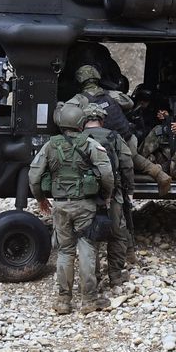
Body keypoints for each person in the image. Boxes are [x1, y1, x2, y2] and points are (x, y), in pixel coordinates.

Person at [28, 99, 114, 315]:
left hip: (60, 205)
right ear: (81, 122)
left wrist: (40, 198)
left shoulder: (50, 145)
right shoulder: (91, 144)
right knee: (87, 247)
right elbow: (106, 174)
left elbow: (34, 175)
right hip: (85, 204)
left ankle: (63, 301)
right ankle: (89, 300)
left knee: (65, 251)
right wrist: (106, 195)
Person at [81, 102, 172, 287]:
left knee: (90, 241)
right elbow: (128, 165)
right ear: (102, 119)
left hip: (84, 197)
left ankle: (94, 278)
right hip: (113, 195)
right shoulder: (114, 137)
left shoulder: (76, 139)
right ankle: (115, 275)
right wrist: (129, 190)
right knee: (117, 235)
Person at [67, 65, 137, 143]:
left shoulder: (79, 99)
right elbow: (130, 104)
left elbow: (63, 117)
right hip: (125, 140)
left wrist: (60, 105)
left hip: (101, 146)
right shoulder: (111, 94)